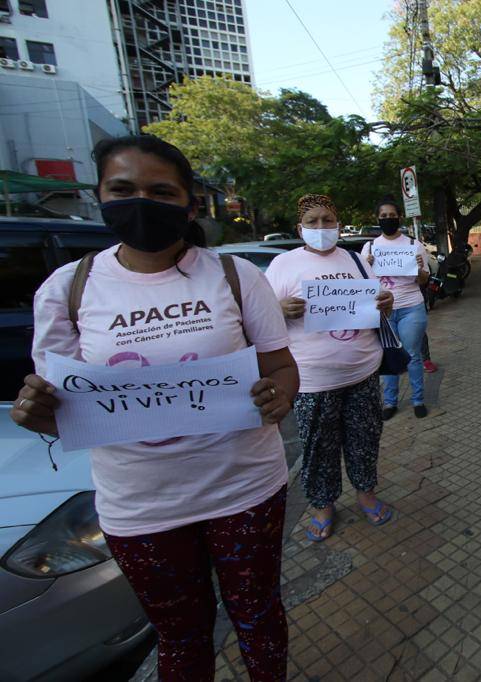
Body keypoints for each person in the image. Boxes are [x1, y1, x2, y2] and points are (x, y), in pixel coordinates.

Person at [10, 135, 299, 681]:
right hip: (139, 509)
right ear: (100, 196)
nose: (140, 201)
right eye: (123, 189)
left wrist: (279, 396)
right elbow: (67, 413)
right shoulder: (66, 290)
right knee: (181, 638)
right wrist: (35, 412)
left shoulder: (236, 276)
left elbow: (282, 368)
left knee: (259, 618)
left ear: (190, 204)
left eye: (160, 191)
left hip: (245, 490)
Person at [266, 194, 395, 538]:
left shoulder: (356, 260)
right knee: (317, 447)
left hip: (363, 373)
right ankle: (323, 505)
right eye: (313, 221)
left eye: (327, 220)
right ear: (300, 227)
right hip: (311, 380)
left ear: (337, 224)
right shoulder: (283, 265)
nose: (321, 227)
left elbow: (378, 304)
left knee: (365, 439)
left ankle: (366, 495)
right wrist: (278, 309)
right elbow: (260, 320)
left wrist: (386, 302)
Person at [361, 198, 431, 419]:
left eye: (392, 216)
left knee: (412, 355)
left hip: (411, 306)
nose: (388, 220)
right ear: (378, 219)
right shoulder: (370, 248)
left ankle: (418, 400)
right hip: (383, 310)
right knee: (389, 355)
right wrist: (368, 266)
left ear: (399, 217)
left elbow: (423, 281)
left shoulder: (413, 245)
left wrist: (420, 269)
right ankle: (390, 402)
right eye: (384, 217)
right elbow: (362, 285)